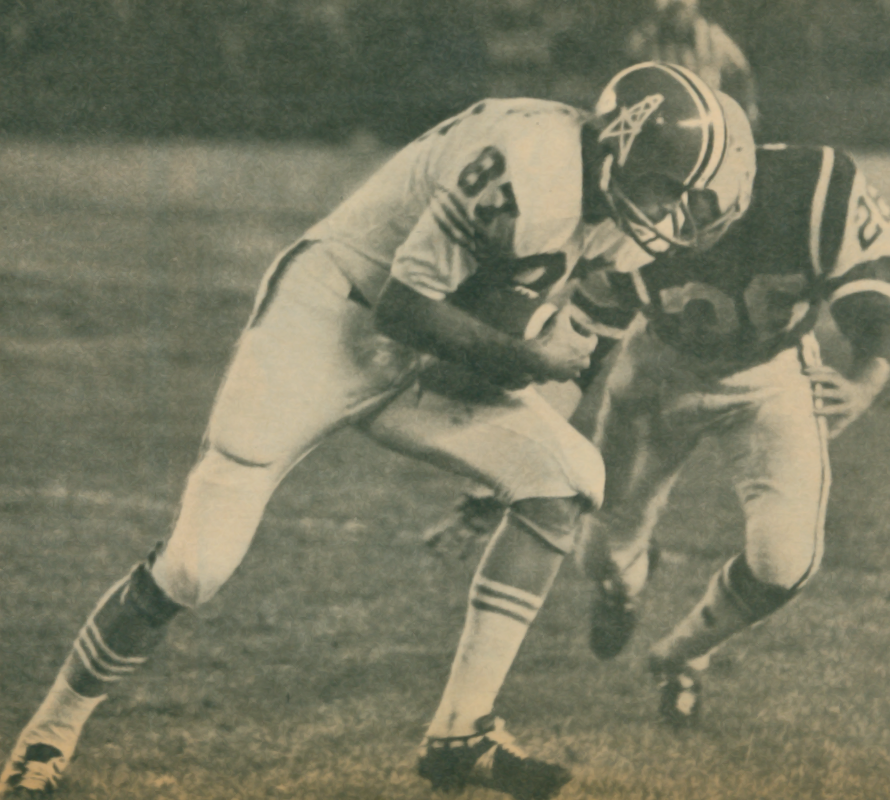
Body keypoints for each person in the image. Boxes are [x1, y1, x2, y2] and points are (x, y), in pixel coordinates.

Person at [0, 63, 747, 800]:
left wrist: (515, 414)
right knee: (197, 566)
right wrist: (525, 354)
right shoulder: (528, 166)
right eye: (666, 188)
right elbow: (404, 308)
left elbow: (562, 347)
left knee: (566, 477)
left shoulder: (615, 211)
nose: (671, 214)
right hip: (328, 319)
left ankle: (462, 731)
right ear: (618, 148)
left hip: (426, 345)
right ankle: (48, 732)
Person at [429, 140, 890, 731]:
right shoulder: (635, 203)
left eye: (700, 193)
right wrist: (492, 481)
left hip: (772, 379)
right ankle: (627, 580)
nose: (680, 213)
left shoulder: (815, 184)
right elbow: (577, 357)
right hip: (657, 374)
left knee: (785, 562)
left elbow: (874, 309)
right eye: (673, 190)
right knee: (599, 557)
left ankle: (680, 656)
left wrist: (864, 383)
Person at [627, 0, 759, 128]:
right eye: (672, 12)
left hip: (706, 118)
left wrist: (750, 109)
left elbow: (742, 72)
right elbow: (629, 66)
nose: (678, 17)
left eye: (682, 10)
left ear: (693, 10)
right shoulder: (649, 38)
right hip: (665, 119)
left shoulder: (712, 37)